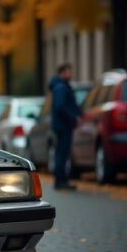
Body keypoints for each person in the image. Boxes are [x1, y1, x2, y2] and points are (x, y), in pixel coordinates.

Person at [49, 62, 80, 190]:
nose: (70, 74)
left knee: (60, 152)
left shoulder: (60, 86)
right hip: (63, 125)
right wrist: (73, 118)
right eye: (69, 71)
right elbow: (60, 106)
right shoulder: (61, 87)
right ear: (62, 73)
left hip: (61, 125)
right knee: (62, 153)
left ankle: (60, 180)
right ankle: (61, 180)